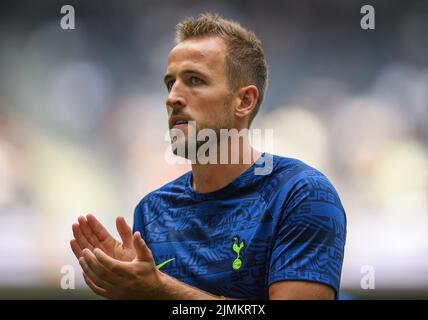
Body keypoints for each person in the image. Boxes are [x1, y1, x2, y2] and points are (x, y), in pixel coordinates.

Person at [70, 13, 346, 300]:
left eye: (194, 80)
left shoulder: (301, 194)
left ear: (244, 101)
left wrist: (160, 289)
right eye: (170, 83)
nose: (172, 97)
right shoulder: (153, 211)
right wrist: (133, 290)